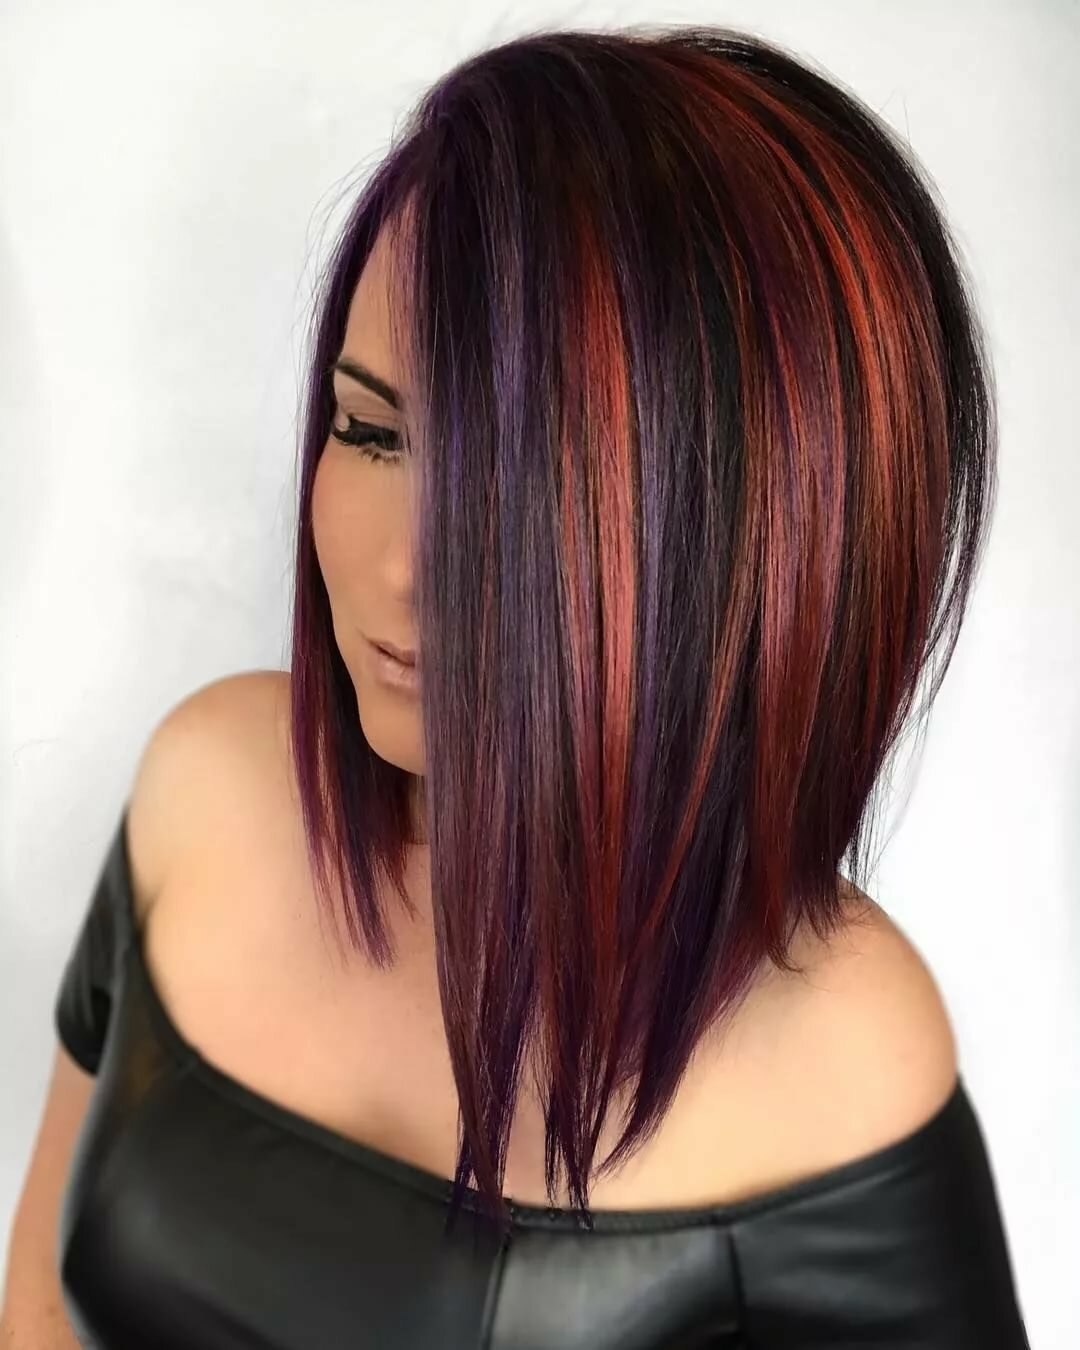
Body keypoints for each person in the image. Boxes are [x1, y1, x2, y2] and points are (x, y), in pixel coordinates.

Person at [1, 23, 1031, 1349]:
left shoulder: (841, 1047)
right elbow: (35, 1298)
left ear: (740, 548)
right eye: (371, 430)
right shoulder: (206, 784)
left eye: (524, 493)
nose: (399, 568)